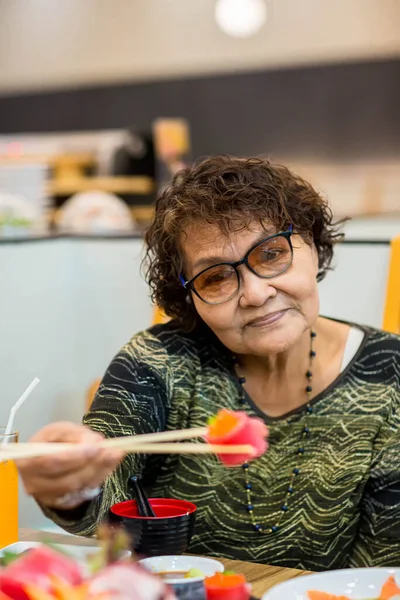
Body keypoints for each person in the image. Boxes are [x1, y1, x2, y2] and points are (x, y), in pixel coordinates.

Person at [17, 156, 400, 571]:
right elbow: (101, 494)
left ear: (313, 243)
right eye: (215, 277)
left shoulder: (390, 374)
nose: (254, 294)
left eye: (271, 253)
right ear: (190, 298)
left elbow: (380, 575)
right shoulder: (161, 359)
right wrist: (73, 485)